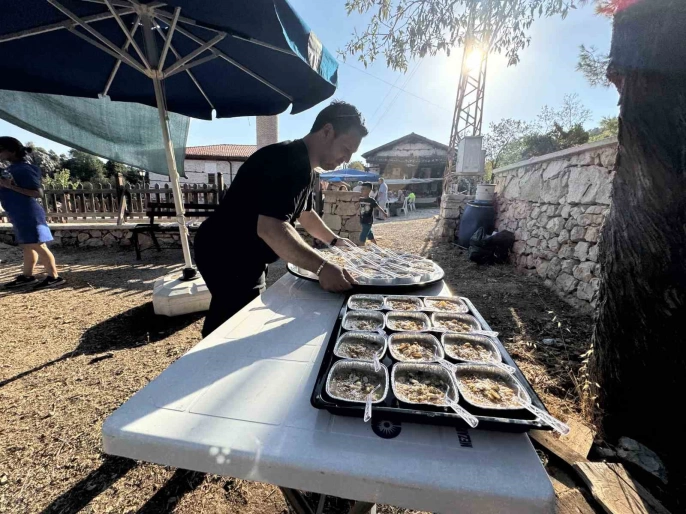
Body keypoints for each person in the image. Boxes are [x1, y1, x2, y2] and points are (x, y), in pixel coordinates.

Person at [194, 101, 368, 338]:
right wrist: (322, 268)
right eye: (346, 149)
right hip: (227, 252)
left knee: (236, 315)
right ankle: (210, 357)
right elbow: (271, 228)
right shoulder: (289, 161)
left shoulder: (306, 167)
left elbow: (306, 214)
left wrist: (335, 241)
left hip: (242, 251)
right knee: (233, 323)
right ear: (327, 131)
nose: (346, 159)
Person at [0, 138, 64, 290]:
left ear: (12, 151)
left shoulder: (24, 169)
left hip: (28, 213)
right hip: (18, 213)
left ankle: (54, 277)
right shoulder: (11, 169)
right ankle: (27, 276)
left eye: (0, 150)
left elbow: (37, 193)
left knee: (38, 245)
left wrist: (11, 187)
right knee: (28, 245)